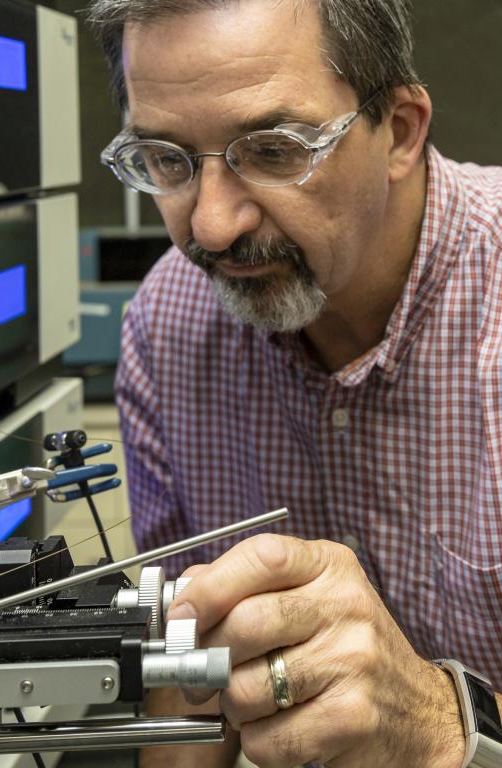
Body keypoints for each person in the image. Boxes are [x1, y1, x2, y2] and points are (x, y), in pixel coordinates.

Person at [86, 0, 502, 766]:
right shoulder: (168, 327)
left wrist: (440, 725)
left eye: (273, 150)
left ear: (401, 132)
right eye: (168, 159)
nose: (210, 228)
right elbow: (187, 687)